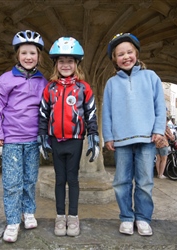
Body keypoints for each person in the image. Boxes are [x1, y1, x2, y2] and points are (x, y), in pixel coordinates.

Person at [102, 33, 166, 236]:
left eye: (129, 52)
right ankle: (127, 217)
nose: (126, 56)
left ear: (136, 54)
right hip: (121, 140)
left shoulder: (151, 77)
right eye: (120, 54)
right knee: (121, 181)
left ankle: (143, 218)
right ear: (115, 59)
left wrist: (158, 130)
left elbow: (160, 106)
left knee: (145, 181)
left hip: (146, 139)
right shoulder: (111, 83)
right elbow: (107, 112)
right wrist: (108, 136)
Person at [0, 30, 47, 243]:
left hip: (33, 139)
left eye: (33, 52)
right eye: (24, 53)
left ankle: (28, 211)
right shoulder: (5, 80)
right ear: (17, 55)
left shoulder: (43, 82)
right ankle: (13, 220)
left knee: (30, 179)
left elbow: (46, 109)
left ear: (39, 56)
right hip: (12, 138)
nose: (28, 57)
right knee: (12, 182)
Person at [38, 37, 100, 237]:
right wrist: (42, 136)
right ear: (56, 64)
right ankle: (59, 217)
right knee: (59, 180)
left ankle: (73, 217)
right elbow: (43, 114)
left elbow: (90, 114)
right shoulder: (50, 88)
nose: (66, 65)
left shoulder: (84, 88)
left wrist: (93, 136)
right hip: (55, 141)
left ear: (76, 64)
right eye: (62, 61)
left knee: (72, 180)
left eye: (70, 61)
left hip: (75, 141)